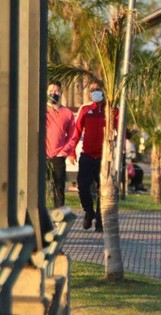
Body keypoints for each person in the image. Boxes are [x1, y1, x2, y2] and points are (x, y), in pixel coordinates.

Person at [68, 82, 118, 232]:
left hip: (104, 158)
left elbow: (119, 130)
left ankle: (100, 221)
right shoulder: (85, 109)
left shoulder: (112, 110)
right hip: (87, 156)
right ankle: (89, 213)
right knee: (82, 187)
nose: (95, 92)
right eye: (92, 90)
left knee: (103, 189)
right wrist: (71, 152)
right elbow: (76, 132)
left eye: (98, 89)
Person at [46, 81, 76, 209]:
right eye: (51, 91)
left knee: (59, 188)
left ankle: (58, 217)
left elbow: (73, 136)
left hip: (58, 155)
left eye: (56, 91)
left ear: (61, 93)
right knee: (38, 188)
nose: (53, 93)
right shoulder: (41, 110)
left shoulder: (68, 113)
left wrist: (64, 152)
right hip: (42, 156)